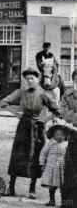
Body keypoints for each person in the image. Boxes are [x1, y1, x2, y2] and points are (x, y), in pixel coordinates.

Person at [0, 67, 60, 199]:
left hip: (37, 129)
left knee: (35, 156)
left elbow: (57, 110)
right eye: (27, 79)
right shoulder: (21, 92)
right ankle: (11, 188)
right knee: (17, 155)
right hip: (23, 127)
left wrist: (45, 119)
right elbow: (3, 102)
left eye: (32, 78)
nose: (30, 81)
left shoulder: (43, 94)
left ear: (37, 79)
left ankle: (32, 189)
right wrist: (15, 113)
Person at [59, 70, 77, 208]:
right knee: (71, 167)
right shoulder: (68, 96)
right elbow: (64, 112)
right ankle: (69, 202)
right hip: (74, 135)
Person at [39, 125, 68, 207]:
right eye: (57, 134)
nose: (59, 136)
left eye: (62, 134)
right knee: (52, 185)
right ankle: (52, 200)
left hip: (62, 167)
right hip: (51, 166)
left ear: (65, 135)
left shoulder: (66, 144)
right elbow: (43, 153)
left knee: (62, 185)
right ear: (53, 135)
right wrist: (42, 163)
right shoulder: (51, 143)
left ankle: (64, 202)